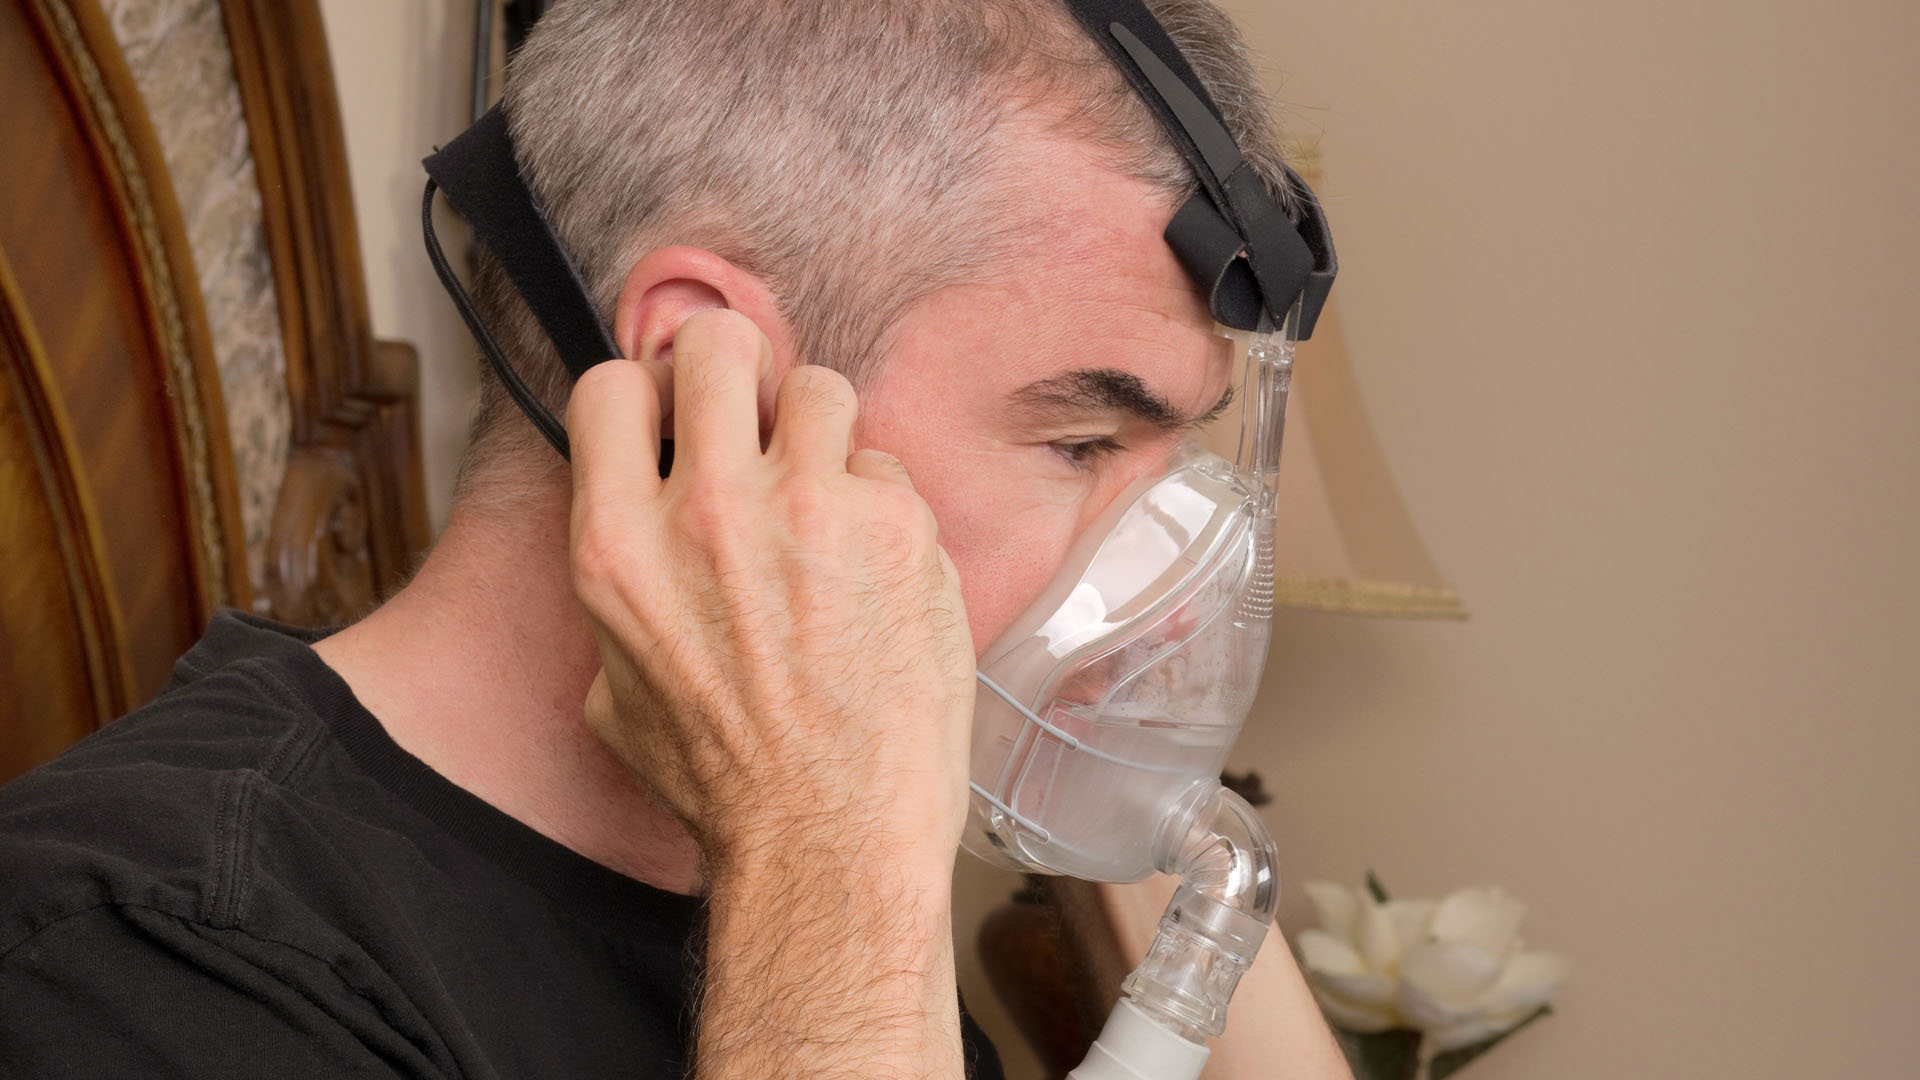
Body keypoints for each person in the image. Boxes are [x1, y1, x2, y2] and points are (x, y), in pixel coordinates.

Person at [0, 1, 1351, 1076]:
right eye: (1082, 445)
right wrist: (830, 861)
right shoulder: (153, 965)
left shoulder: (804, 908)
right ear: (716, 381)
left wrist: (1101, 784)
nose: (1173, 599)